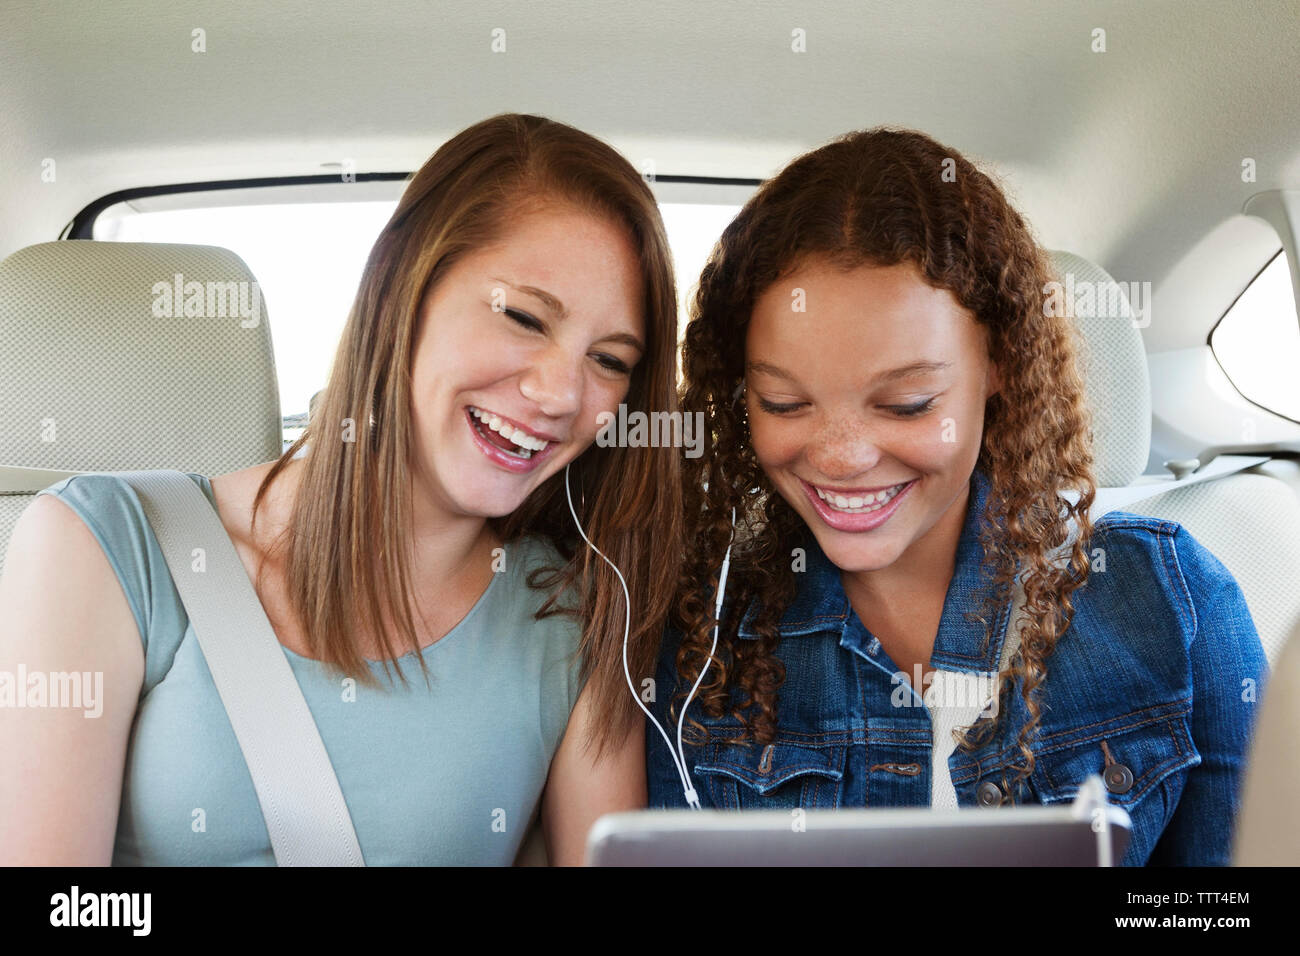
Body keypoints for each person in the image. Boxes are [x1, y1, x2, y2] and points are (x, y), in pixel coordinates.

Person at [0, 112, 682, 866]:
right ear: (401, 287)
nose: (560, 393)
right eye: (524, 316)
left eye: (611, 361)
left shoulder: (574, 619)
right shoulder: (101, 545)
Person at [645, 127, 1267, 866]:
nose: (842, 458)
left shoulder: (1174, 604)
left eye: (907, 404)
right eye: (784, 403)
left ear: (999, 366)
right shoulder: (697, 641)